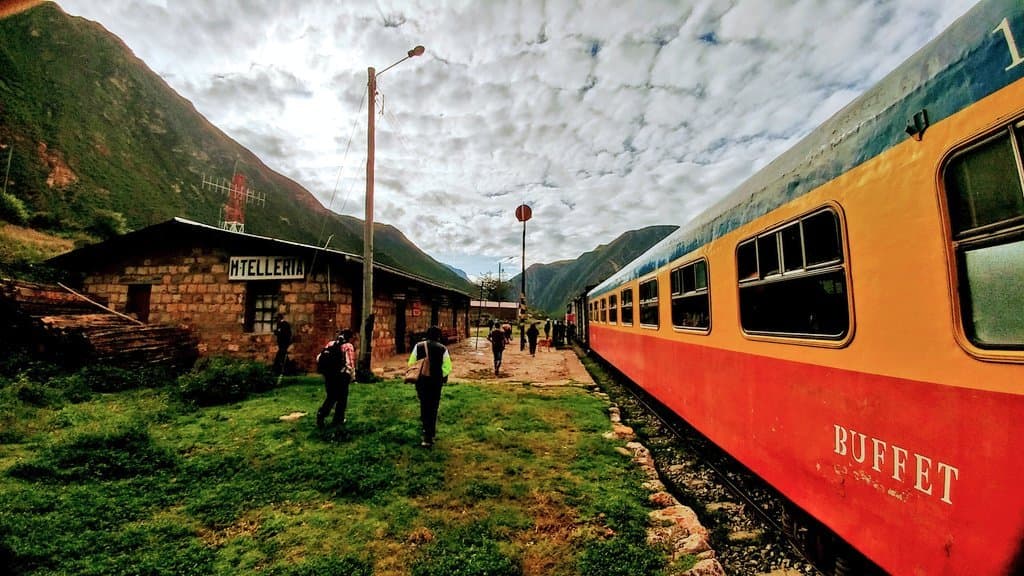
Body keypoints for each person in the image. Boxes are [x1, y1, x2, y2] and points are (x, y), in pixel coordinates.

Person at [407, 326, 452, 447]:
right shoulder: (443, 349)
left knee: (424, 404)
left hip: (421, 381)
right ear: (438, 336)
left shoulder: (418, 346)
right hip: (435, 382)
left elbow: (411, 363)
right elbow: (447, 367)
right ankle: (429, 434)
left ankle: (425, 428)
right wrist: (439, 375)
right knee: (433, 406)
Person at [316, 329, 355, 430]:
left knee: (331, 397)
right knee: (342, 398)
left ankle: (321, 414)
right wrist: (352, 376)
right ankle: (338, 419)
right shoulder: (348, 346)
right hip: (342, 375)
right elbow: (350, 364)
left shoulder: (330, 344)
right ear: (350, 338)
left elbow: (319, 357)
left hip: (329, 375)